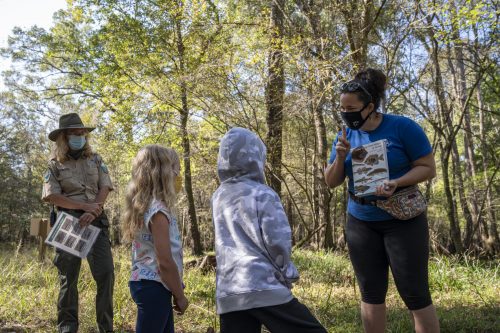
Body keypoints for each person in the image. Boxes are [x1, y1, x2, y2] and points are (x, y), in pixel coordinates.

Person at [324, 69, 440, 333]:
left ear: (370, 107)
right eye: (342, 107)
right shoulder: (344, 136)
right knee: (370, 292)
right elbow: (331, 181)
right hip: (361, 221)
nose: (345, 112)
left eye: (351, 107)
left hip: (402, 220)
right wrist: (340, 157)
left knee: (415, 292)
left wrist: (397, 182)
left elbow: (427, 168)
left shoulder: (403, 127)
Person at [212, 127, 327, 333]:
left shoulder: (218, 196)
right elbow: (276, 240)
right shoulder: (263, 193)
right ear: (256, 157)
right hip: (263, 285)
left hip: (229, 291)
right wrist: (286, 273)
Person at [42, 113, 115, 333]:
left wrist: (93, 211)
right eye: (75, 134)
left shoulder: (96, 159)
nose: (80, 137)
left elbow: (105, 186)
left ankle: (105, 328)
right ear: (64, 138)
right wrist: (83, 207)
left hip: (96, 220)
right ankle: (67, 328)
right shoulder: (54, 165)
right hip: (68, 223)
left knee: (106, 274)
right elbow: (50, 196)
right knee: (68, 279)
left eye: (82, 133)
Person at [122, 144, 188, 333]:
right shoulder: (158, 212)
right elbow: (165, 262)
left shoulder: (146, 206)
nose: (179, 174)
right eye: (176, 168)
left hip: (152, 286)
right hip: (154, 288)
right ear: (163, 173)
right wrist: (180, 295)